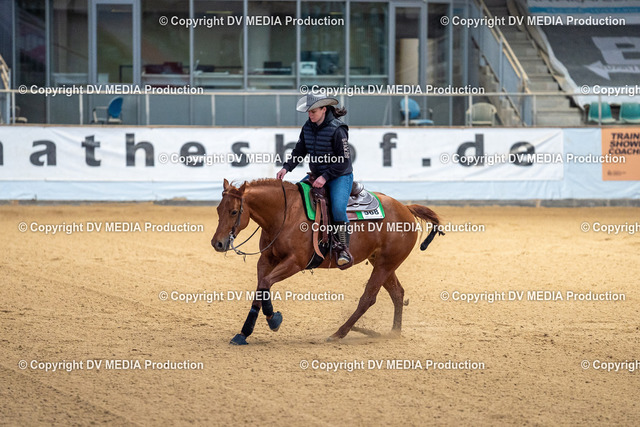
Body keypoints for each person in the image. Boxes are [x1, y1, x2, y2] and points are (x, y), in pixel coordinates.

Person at [276, 93, 353, 267]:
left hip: (340, 176)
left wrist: (325, 177)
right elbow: (299, 151)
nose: (310, 115)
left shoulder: (338, 129)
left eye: (313, 111)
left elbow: (344, 161)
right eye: (308, 112)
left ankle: (343, 249)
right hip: (316, 175)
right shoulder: (307, 127)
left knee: (338, 209)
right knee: (295, 197)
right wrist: (286, 167)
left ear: (324, 109)